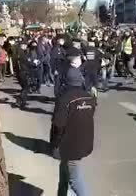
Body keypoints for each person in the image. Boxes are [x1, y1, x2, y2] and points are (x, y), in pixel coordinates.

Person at [50, 48, 96, 196]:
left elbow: (58, 125)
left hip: (69, 145)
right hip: (85, 141)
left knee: (75, 180)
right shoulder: (89, 98)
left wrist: (55, 145)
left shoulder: (65, 99)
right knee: (64, 172)